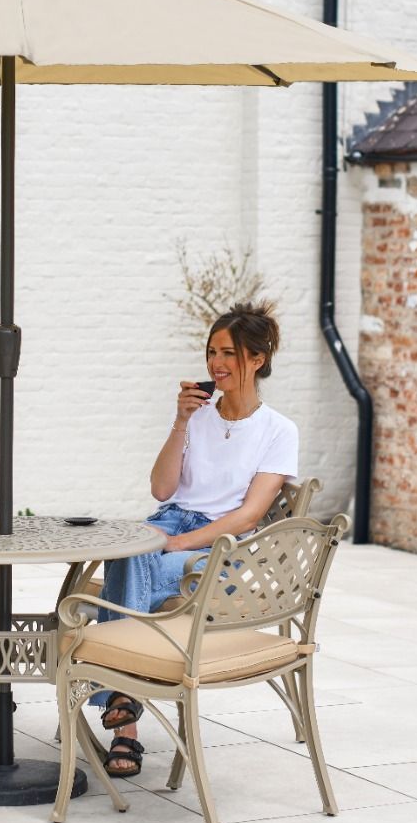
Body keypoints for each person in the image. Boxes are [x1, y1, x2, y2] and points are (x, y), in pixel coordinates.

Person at [95, 300, 299, 778]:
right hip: (170, 520)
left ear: (257, 359)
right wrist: (181, 423)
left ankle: (124, 716)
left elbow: (248, 514)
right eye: (211, 352)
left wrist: (184, 545)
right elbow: (161, 490)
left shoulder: (278, 430)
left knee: (130, 567)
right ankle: (125, 699)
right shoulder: (199, 415)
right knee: (125, 549)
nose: (216, 364)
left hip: (219, 546)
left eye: (228, 353)